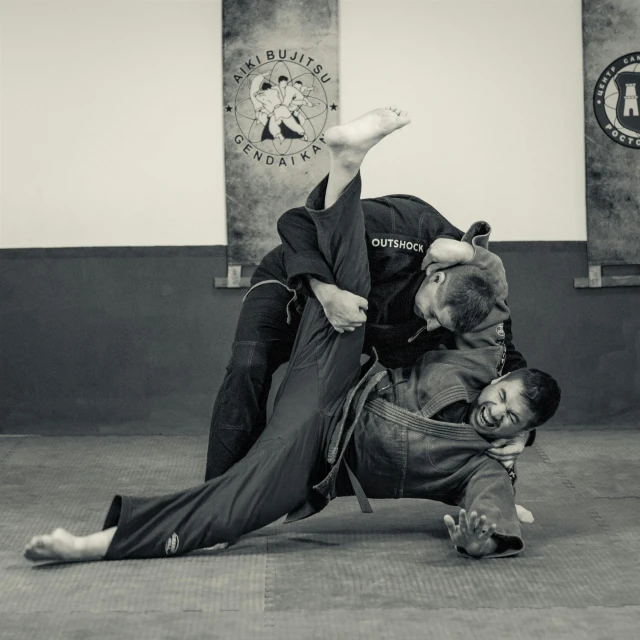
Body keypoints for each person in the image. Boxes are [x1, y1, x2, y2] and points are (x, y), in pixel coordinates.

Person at [23, 107, 560, 564]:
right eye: (504, 398)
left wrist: (491, 526)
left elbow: (507, 375)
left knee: (249, 498)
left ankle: (95, 544)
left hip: (323, 438)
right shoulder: (416, 233)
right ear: (436, 274)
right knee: (263, 354)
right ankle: (346, 163)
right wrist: (471, 252)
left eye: (512, 418)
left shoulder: (486, 452)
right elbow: (305, 227)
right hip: (306, 290)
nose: (499, 411)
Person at [205, 111, 528, 485]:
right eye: (435, 314)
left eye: (442, 325)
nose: (431, 326)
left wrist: (521, 429)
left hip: (362, 327)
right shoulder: (408, 227)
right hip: (294, 287)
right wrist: (325, 293)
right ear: (436, 275)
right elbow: (295, 221)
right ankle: (215, 489)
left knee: (322, 409)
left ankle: (257, 482)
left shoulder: (473, 293)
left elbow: (506, 363)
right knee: (248, 367)